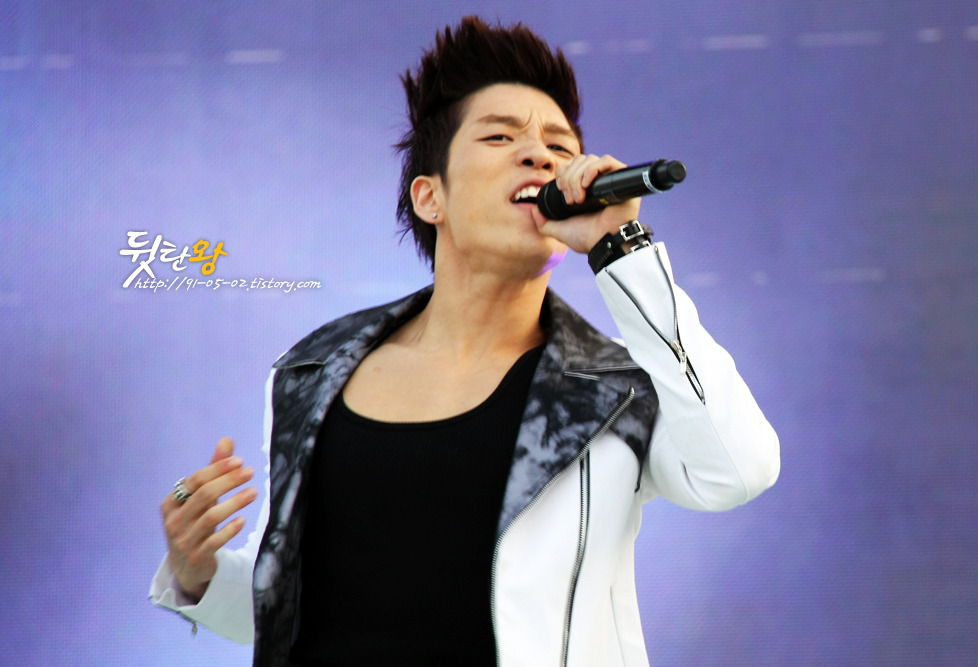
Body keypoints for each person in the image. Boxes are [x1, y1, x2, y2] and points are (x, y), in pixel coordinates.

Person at [150, 16, 779, 667]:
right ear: (431, 197)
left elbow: (737, 469)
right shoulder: (313, 371)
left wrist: (620, 247)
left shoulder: (614, 388)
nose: (539, 154)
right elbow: (289, 601)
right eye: (500, 136)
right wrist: (197, 571)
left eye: (559, 146)